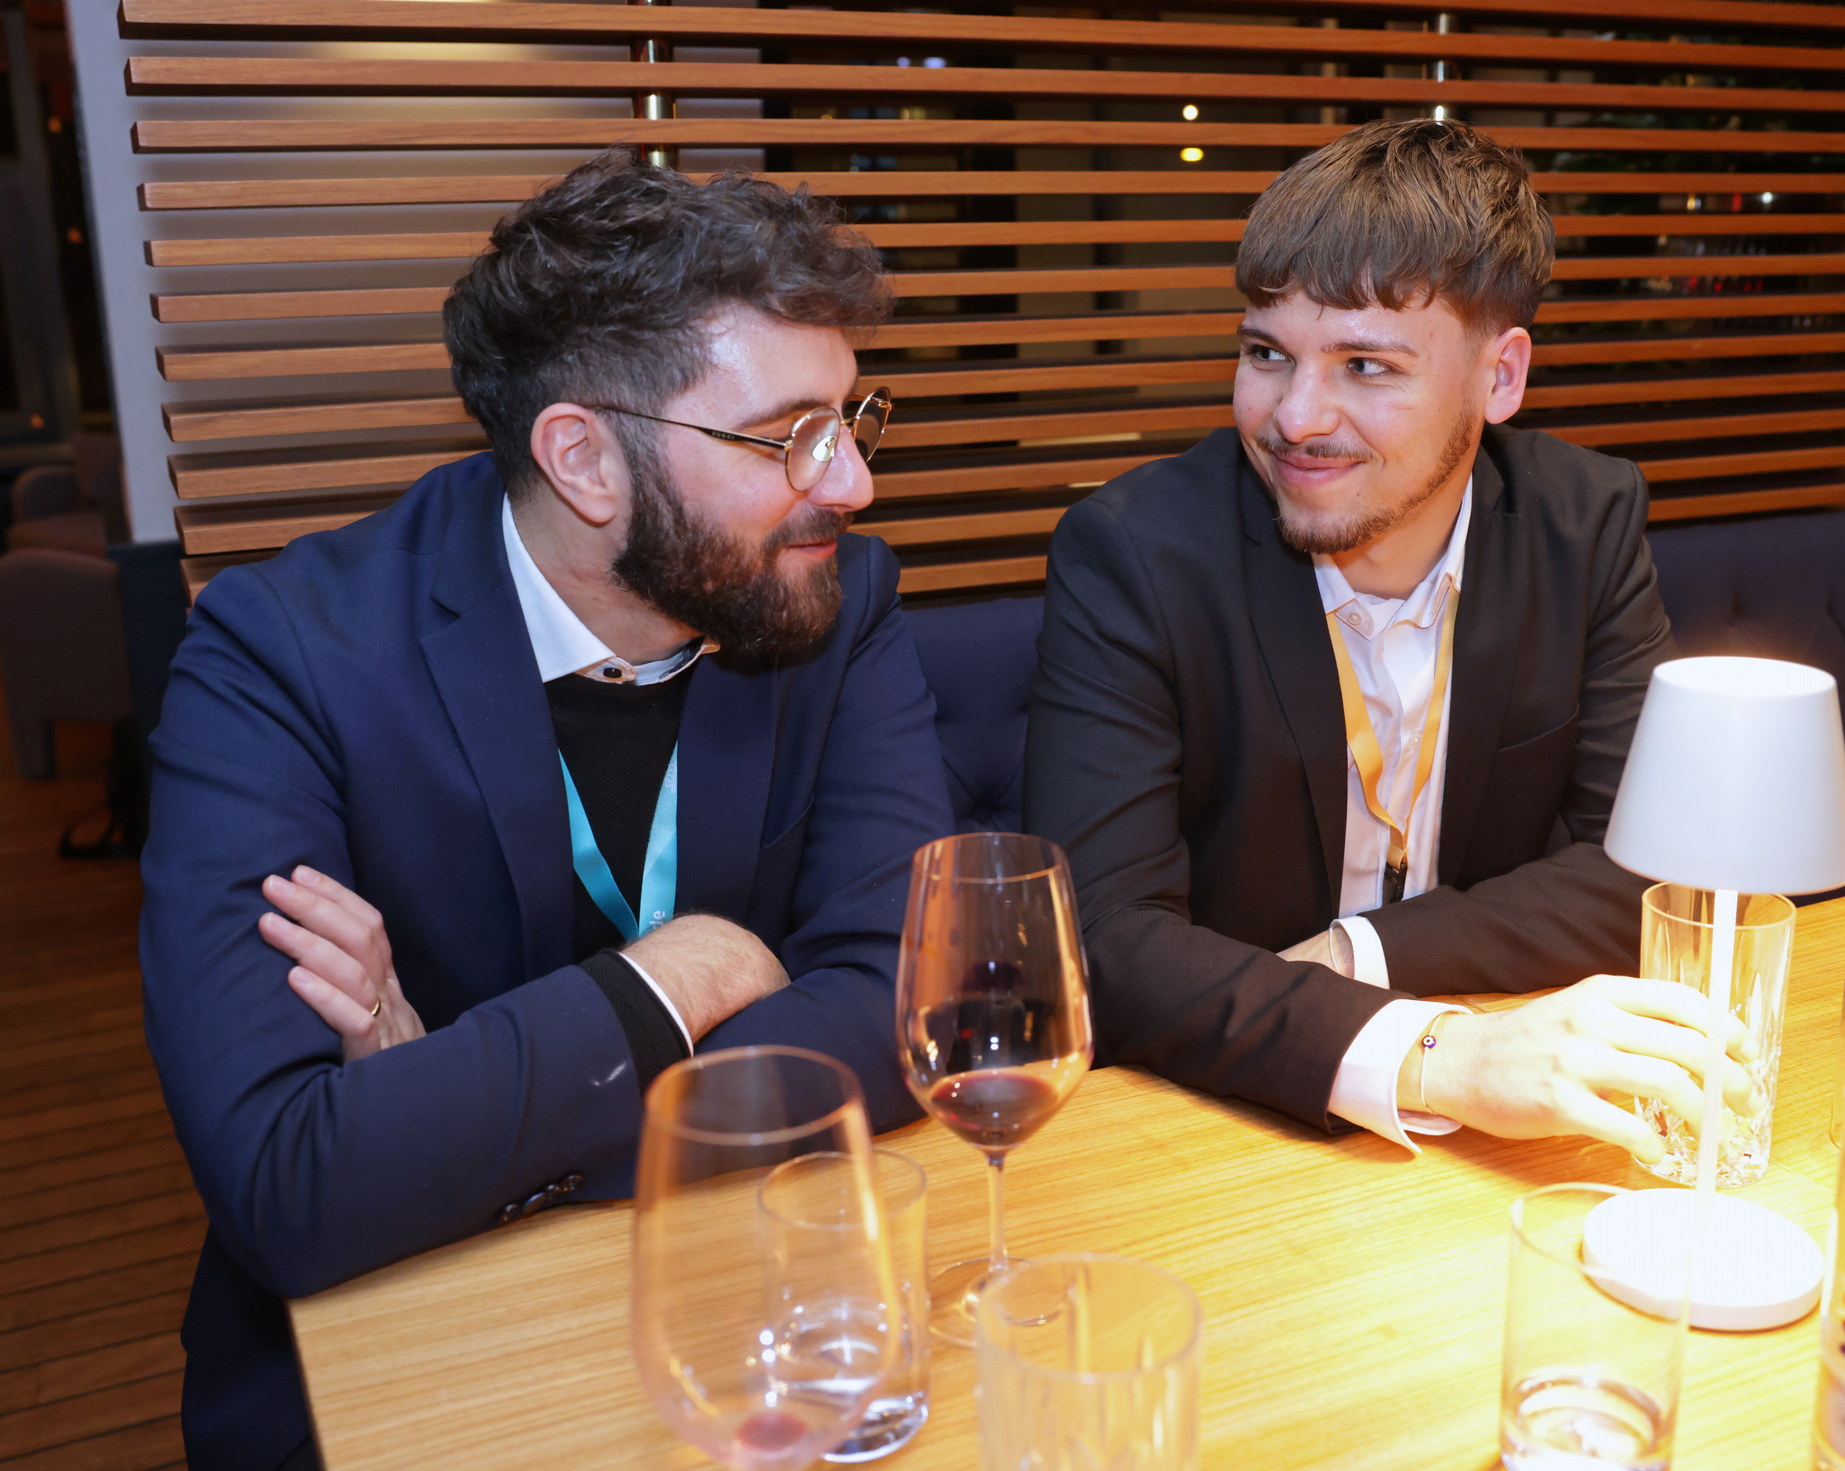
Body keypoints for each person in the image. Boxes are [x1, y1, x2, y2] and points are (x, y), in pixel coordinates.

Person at [140, 152, 952, 1471]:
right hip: (387, 1362)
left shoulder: (835, 599)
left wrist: (441, 1115)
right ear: (583, 459)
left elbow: (900, 1006)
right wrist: (676, 977)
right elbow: (289, 1182)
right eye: (790, 434)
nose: (851, 481)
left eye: (852, 418)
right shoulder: (279, 657)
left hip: (752, 1304)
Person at [1025, 118, 1750, 1162]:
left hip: (1506, 1103)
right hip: (1219, 1123)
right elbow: (1099, 939)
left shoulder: (1581, 523)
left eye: (1365, 365)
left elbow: (1651, 872)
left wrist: (1356, 953)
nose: (1295, 417)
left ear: (1500, 379)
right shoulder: (1134, 553)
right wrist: (1433, 1055)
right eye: (1266, 354)